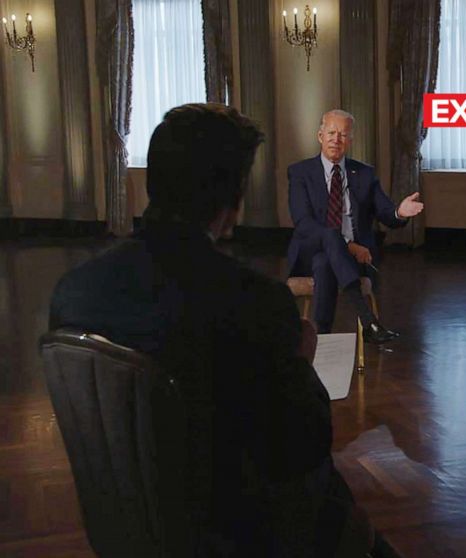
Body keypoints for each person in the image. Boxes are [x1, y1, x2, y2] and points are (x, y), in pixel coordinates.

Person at [49, 103, 392, 556]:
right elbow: (303, 443)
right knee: (334, 500)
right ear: (233, 201)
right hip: (233, 536)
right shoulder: (255, 301)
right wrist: (303, 366)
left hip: (124, 529)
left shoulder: (72, 292)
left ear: (154, 179)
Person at [287, 109, 423, 340]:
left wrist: (399, 212)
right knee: (328, 240)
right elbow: (303, 224)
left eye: (342, 134)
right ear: (320, 136)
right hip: (310, 252)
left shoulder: (364, 173)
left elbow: (386, 212)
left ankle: (322, 337)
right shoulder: (300, 172)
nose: (335, 139)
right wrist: (349, 246)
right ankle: (367, 320)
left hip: (352, 260)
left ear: (350, 140)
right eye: (331, 132)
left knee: (325, 263)